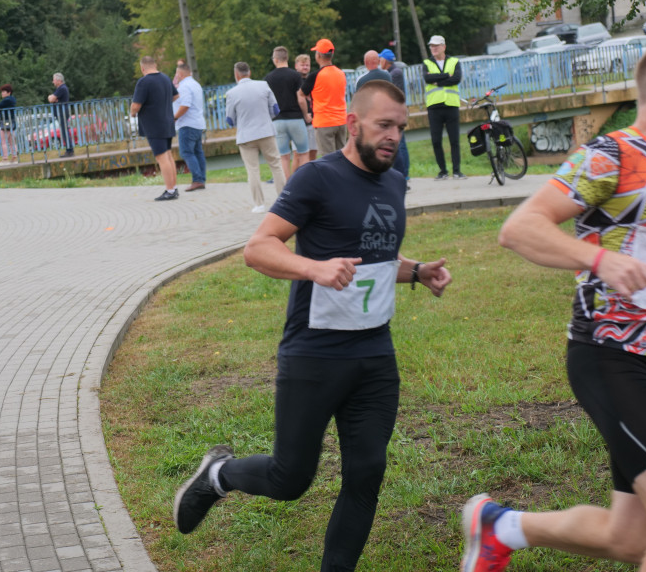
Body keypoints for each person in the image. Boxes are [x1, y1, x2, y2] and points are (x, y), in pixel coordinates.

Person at [460, 41, 646, 572]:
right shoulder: (612, 154)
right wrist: (600, 261)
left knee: (629, 536)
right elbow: (519, 229)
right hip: (610, 356)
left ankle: (499, 525)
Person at [172, 80, 452, 571]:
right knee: (290, 479)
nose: (394, 137)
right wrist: (315, 267)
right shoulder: (316, 178)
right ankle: (219, 474)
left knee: (367, 474)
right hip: (314, 356)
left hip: (375, 357)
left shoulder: (392, 181)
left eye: (401, 129)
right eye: (384, 125)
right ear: (353, 124)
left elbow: (374, 256)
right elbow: (258, 248)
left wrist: (415, 271)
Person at [224, 62, 286, 213]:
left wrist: (242, 122)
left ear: (236, 74)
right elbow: (276, 109)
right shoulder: (263, 85)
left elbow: (230, 119)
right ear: (249, 72)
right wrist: (266, 118)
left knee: (252, 170)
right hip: (266, 131)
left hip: (246, 136)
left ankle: (259, 204)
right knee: (276, 165)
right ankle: (283, 200)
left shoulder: (232, 93)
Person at [131, 56, 179, 202]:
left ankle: (169, 190)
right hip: (167, 121)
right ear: (155, 65)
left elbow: (136, 106)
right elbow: (176, 96)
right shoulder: (165, 78)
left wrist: (133, 112)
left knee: (161, 157)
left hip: (154, 125)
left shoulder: (144, 82)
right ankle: (174, 187)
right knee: (169, 156)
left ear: (142, 68)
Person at [422, 35, 466, 180]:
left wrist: (438, 81)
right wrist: (446, 75)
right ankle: (443, 171)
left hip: (451, 104)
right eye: (431, 46)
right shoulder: (427, 62)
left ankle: (457, 171)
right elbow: (427, 79)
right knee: (436, 140)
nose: (433, 48)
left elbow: (457, 79)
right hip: (434, 106)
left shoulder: (454, 61)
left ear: (443, 47)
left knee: (454, 140)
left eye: (436, 45)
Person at [264, 45, 310, 179]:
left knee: (283, 157)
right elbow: (301, 99)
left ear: (275, 59)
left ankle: (287, 187)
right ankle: (304, 183)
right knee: (303, 153)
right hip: (296, 119)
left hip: (278, 121)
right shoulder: (295, 76)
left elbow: (267, 102)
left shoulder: (268, 78)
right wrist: (306, 114)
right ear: (287, 58)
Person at [301, 38, 348, 158]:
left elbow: (301, 94)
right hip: (341, 121)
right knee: (342, 157)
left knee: (328, 160)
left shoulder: (315, 76)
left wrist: (307, 110)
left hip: (324, 122)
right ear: (331, 55)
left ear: (318, 56)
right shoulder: (341, 73)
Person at [172, 61, 207, 192]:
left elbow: (185, 105)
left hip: (187, 124)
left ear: (180, 74)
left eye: (176, 73)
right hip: (198, 123)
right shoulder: (196, 84)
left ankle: (197, 180)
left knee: (186, 152)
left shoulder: (184, 86)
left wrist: (174, 117)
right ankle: (201, 178)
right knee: (198, 152)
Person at [379, 49, 410, 185]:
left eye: (381, 59)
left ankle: (403, 175)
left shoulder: (394, 73)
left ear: (385, 60)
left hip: (396, 113)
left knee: (400, 145)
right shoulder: (393, 71)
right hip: (398, 111)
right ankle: (405, 173)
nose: (380, 62)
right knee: (402, 144)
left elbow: (394, 94)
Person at [295, 53, 318, 163]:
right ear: (296, 66)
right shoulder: (294, 81)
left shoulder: (312, 80)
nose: (305, 67)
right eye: (302, 65)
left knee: (313, 152)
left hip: (313, 121)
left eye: (307, 65)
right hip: (299, 121)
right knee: (298, 154)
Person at [48, 72, 74, 158]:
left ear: (59, 80)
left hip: (62, 113)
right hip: (61, 113)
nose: (53, 82)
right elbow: (51, 98)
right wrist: (52, 98)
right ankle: (69, 150)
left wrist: (52, 98)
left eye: (54, 80)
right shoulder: (61, 88)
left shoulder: (61, 88)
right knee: (64, 131)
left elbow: (51, 99)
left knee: (64, 131)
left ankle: (69, 151)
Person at [0, 84, 18, 165]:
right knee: (11, 141)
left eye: (4, 91)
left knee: (3, 140)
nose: (2, 93)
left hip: (6, 121)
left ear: (9, 92)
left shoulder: (7, 100)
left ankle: (5, 159)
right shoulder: (12, 99)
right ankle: (14, 158)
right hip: (11, 121)